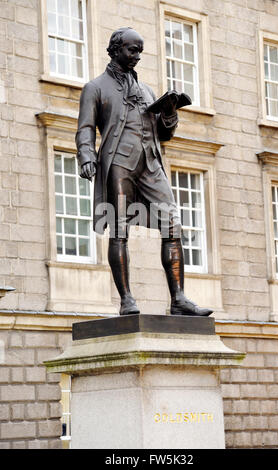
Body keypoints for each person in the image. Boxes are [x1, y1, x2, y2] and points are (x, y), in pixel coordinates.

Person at [76, 27, 213, 317]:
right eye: (132, 50)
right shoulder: (95, 87)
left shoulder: (148, 90)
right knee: (120, 229)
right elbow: (86, 127)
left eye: (140, 51)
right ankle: (127, 299)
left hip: (151, 163)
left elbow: (164, 135)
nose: (137, 56)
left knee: (173, 226)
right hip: (119, 163)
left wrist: (170, 112)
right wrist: (86, 154)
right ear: (115, 50)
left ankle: (179, 299)